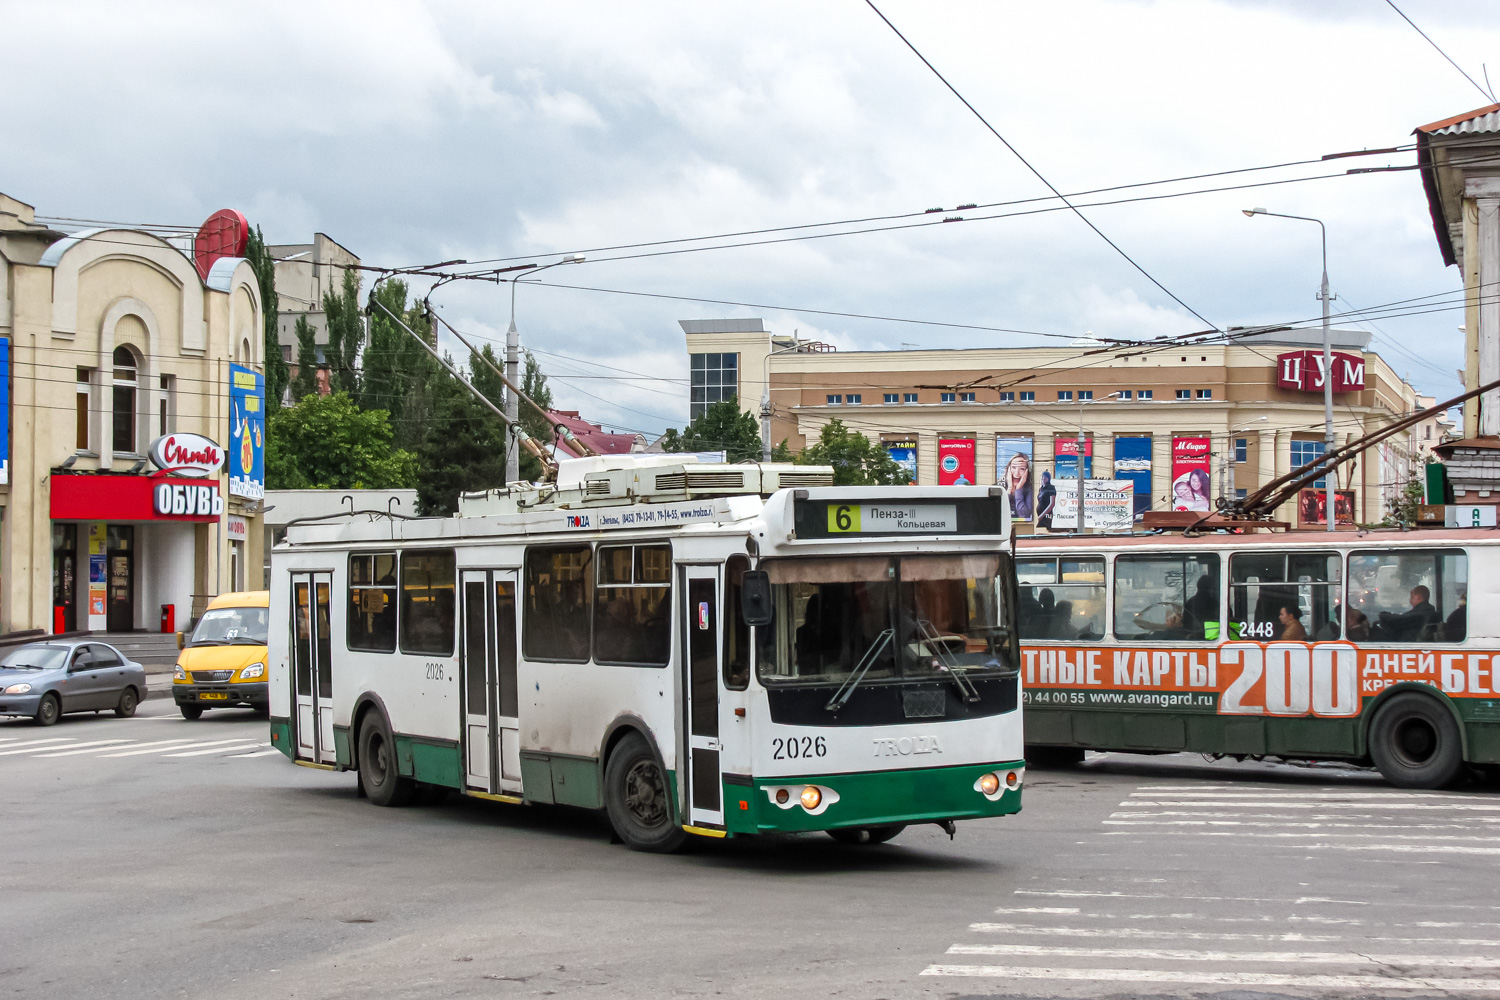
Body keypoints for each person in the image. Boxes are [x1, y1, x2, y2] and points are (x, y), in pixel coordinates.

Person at [1003, 452, 1034, 520]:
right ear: (1008, 469)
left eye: (1022, 469)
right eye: (1014, 467)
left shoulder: (1030, 490)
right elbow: (999, 512)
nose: (1017, 473)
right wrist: (1009, 489)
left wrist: (1018, 490)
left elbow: (1024, 516)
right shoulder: (1000, 487)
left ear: (1027, 472)